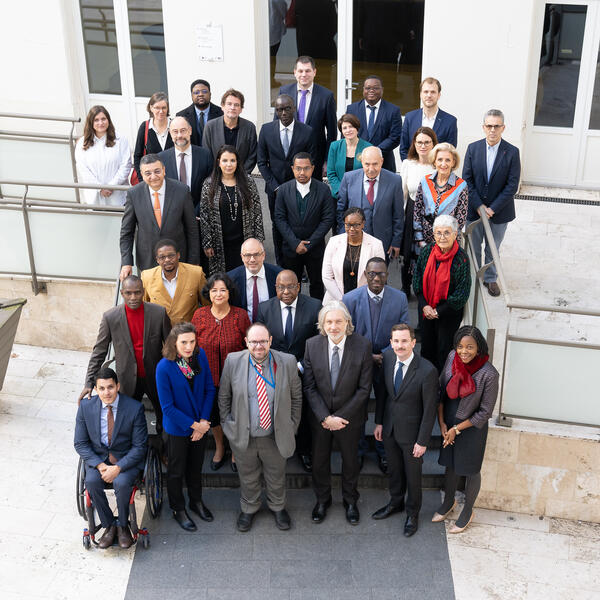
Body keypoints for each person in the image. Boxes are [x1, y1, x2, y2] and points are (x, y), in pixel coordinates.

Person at [218, 322, 302, 532]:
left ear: (270, 341)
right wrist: (229, 427)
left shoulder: (287, 362)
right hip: (243, 435)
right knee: (247, 476)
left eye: (263, 341)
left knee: (276, 474)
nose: (258, 346)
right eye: (254, 342)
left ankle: (278, 507)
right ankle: (249, 508)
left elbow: (296, 398)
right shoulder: (233, 361)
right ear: (246, 342)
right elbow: (224, 396)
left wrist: (291, 427)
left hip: (274, 435)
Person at [303, 301, 373, 524]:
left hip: (350, 419)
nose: (333, 326)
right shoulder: (311, 345)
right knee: (319, 461)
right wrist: (325, 417)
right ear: (322, 323)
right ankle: (322, 500)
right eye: (329, 321)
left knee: (351, 462)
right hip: (320, 419)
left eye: (338, 321)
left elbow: (364, 389)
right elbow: (309, 387)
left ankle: (350, 501)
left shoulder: (362, 346)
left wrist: (341, 417)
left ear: (347, 323)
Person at [79, 275, 170, 433]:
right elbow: (99, 351)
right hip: (127, 379)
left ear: (143, 292)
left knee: (164, 416)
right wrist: (89, 382)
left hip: (155, 376)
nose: (133, 297)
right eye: (128, 293)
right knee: (125, 420)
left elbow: (171, 347)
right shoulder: (110, 317)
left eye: (137, 292)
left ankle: (163, 451)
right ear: (122, 293)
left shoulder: (159, 313)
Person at [343, 257, 409, 473]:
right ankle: (359, 451)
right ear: (365, 274)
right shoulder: (350, 298)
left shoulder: (399, 299)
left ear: (387, 276)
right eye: (372, 274)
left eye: (381, 274)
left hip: (388, 364)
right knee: (358, 409)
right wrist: (368, 356)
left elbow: (404, 331)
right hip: (358, 364)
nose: (376, 278)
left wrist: (385, 355)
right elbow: (346, 334)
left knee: (386, 409)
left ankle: (383, 452)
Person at [372, 325, 438, 537]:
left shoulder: (427, 371)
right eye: (396, 341)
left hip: (413, 435)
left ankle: (412, 513)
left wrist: (423, 441)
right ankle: (396, 502)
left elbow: (429, 411)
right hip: (390, 428)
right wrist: (379, 422)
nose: (400, 346)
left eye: (404, 341)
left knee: (413, 476)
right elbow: (383, 393)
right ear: (391, 342)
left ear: (413, 342)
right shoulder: (389, 358)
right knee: (394, 471)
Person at [433, 326, 499, 533]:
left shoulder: (489, 374)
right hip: (449, 418)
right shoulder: (452, 357)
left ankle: (467, 510)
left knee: (471, 470)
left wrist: (456, 429)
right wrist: (443, 424)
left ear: (479, 348)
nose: (464, 351)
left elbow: (485, 412)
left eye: (470, 347)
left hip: (471, 428)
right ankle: (449, 502)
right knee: (450, 464)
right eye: (460, 346)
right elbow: (441, 390)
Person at [74, 367, 148, 549]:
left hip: (125, 461)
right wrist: (100, 466)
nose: (106, 392)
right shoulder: (85, 408)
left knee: (122, 484)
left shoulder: (134, 408)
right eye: (102, 388)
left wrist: (118, 468)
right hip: (98, 460)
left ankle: (123, 526)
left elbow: (140, 446)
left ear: (118, 386)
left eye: (110, 387)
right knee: (91, 483)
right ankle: (108, 525)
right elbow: (80, 443)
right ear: (96, 389)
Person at [256, 269, 322, 472]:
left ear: (299, 287)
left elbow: (318, 342)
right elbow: (260, 341)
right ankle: (275, 449)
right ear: (275, 287)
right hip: (272, 372)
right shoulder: (265, 308)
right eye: (281, 287)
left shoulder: (314, 306)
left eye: (290, 286)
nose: (286, 291)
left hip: (304, 371)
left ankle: (304, 450)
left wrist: (300, 365)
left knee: (301, 413)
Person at [155, 322, 215, 531]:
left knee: (196, 468)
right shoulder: (164, 367)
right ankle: (178, 508)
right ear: (174, 343)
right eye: (183, 342)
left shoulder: (201, 356)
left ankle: (196, 501)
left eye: (192, 341)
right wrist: (195, 427)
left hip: (201, 424)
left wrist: (205, 421)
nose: (188, 346)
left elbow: (209, 389)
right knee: (176, 471)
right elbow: (167, 407)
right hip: (178, 429)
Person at [191, 273, 251, 472]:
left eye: (222, 290)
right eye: (214, 290)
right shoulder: (199, 315)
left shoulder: (240, 315)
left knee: (235, 415)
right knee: (214, 416)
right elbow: (190, 347)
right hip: (207, 379)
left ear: (229, 292)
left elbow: (249, 346)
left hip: (236, 378)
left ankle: (235, 450)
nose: (218, 294)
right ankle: (219, 446)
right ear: (208, 293)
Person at [463, 109, 521, 297]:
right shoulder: (473, 149)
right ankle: (472, 277)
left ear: (503, 128)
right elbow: (467, 180)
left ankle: (490, 279)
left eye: (497, 126)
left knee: (492, 248)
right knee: (473, 245)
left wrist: (492, 208)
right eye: (489, 126)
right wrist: (479, 206)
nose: (492, 130)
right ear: (483, 127)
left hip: (500, 212)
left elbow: (512, 185)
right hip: (474, 210)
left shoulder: (512, 152)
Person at [119, 154, 199, 279]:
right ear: (141, 174)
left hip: (179, 260)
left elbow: (192, 230)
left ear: (164, 170)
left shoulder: (181, 191)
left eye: (157, 171)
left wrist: (193, 262)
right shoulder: (134, 194)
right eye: (148, 173)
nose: (153, 176)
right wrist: (126, 262)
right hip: (148, 262)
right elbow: (126, 232)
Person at [258, 94, 316, 264]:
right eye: (279, 109)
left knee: (299, 225)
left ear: (294, 108)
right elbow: (261, 162)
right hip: (274, 189)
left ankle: (300, 263)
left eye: (287, 108)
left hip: (300, 188)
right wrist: (275, 186)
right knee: (277, 225)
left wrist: (297, 184)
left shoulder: (307, 131)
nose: (283, 112)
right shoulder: (266, 130)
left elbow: (312, 161)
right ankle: (280, 261)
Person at [412, 215, 471, 371]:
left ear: (455, 234)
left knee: (444, 351)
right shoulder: (426, 252)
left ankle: (442, 385)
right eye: (438, 233)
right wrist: (425, 306)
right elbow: (417, 279)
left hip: (448, 314)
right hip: (426, 310)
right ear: (433, 234)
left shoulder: (462, 259)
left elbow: (462, 293)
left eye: (447, 232)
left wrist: (438, 311)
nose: (442, 237)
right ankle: (426, 381)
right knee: (426, 348)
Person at [274, 152, 335, 299]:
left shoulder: (323, 190)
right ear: (292, 169)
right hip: (290, 248)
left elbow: (327, 219)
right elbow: (279, 218)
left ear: (313, 169)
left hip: (315, 248)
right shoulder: (282, 190)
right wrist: (295, 243)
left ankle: (316, 317)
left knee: (317, 284)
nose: (302, 172)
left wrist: (310, 244)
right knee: (291, 285)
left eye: (306, 168)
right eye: (298, 168)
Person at [198, 145, 265, 274]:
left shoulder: (248, 182)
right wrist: (207, 243)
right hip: (219, 243)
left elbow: (257, 212)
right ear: (218, 162)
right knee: (223, 280)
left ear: (237, 162)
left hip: (245, 240)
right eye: (225, 160)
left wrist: (258, 240)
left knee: (245, 276)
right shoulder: (209, 184)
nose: (229, 164)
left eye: (232, 160)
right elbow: (204, 215)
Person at [337, 146, 404, 262]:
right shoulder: (349, 178)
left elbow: (398, 215)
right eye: (367, 164)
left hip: (383, 242)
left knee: (378, 278)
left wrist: (396, 242)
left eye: (375, 164)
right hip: (353, 240)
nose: (371, 169)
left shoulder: (395, 180)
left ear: (382, 161)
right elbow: (340, 211)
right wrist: (345, 235)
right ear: (361, 162)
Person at [278, 55, 337, 179]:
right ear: (295, 73)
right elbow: (276, 124)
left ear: (314, 72)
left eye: (308, 71)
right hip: (289, 154)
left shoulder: (326, 96)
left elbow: (332, 132)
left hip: (315, 156)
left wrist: (327, 161)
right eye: (300, 71)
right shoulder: (284, 92)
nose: (304, 74)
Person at [399, 127, 438, 296]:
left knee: (427, 253)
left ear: (433, 144)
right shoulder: (408, 164)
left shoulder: (438, 165)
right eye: (419, 142)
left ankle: (424, 288)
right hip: (412, 211)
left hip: (432, 215)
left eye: (427, 142)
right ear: (414, 144)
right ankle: (405, 287)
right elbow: (403, 192)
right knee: (408, 252)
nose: (423, 146)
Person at [322, 207, 385, 303]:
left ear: (363, 224)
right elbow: (327, 276)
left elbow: (378, 277)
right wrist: (343, 300)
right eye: (348, 225)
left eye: (356, 225)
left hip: (365, 301)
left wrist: (359, 300)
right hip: (335, 300)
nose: (351, 229)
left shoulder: (376, 245)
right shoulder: (333, 242)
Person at [413, 143, 468, 252]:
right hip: (424, 243)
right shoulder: (425, 182)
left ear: (453, 162)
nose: (443, 164)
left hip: (448, 245)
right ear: (434, 161)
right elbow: (417, 212)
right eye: (440, 160)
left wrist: (445, 243)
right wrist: (420, 240)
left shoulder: (461, 186)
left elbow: (460, 220)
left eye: (448, 160)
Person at [141, 239, 208, 324]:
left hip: (189, 333)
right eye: (162, 257)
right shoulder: (147, 277)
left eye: (171, 255)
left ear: (178, 255)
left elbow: (208, 305)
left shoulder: (196, 274)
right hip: (159, 334)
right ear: (157, 260)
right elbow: (143, 308)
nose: (167, 260)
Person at [75, 105, 132, 206]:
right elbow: (83, 169)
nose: (100, 123)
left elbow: (126, 166)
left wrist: (111, 186)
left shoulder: (121, 140)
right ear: (90, 122)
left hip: (118, 197)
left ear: (108, 120)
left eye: (103, 119)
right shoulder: (81, 144)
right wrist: (99, 188)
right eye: (96, 120)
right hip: (94, 198)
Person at [345, 76, 402, 172]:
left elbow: (395, 137)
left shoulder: (393, 110)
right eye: (368, 88)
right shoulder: (352, 109)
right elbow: (346, 134)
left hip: (384, 163)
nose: (371, 90)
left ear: (382, 90)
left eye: (375, 88)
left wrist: (375, 152)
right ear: (363, 90)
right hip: (357, 161)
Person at [157, 116, 213, 211]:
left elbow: (211, 187)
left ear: (190, 131)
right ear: (170, 133)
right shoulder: (161, 158)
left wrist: (197, 212)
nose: (179, 135)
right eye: (175, 131)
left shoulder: (205, 155)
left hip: (199, 215)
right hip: (172, 215)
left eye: (183, 130)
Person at [400, 77, 458, 161]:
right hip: (414, 170)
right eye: (426, 92)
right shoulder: (410, 118)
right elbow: (404, 149)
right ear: (420, 94)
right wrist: (412, 167)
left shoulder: (450, 121)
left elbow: (450, 152)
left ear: (439, 95)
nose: (429, 95)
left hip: (437, 171)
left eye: (433, 92)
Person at [203, 89, 258, 174]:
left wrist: (242, 175)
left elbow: (252, 156)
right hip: (217, 176)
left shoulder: (249, 127)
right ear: (222, 106)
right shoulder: (210, 127)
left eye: (236, 105)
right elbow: (207, 155)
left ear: (241, 109)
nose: (232, 108)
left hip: (242, 177)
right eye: (229, 104)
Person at [227, 238, 282, 322]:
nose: (252, 259)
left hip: (272, 327)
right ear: (242, 257)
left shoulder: (279, 275)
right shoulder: (230, 279)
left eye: (256, 254)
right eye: (247, 255)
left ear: (263, 255)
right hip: (243, 328)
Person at [326, 113, 372, 199]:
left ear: (357, 128)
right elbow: (331, 173)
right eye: (344, 128)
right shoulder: (334, 146)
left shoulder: (368, 147)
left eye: (351, 126)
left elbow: (370, 173)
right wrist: (341, 190)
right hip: (338, 195)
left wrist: (354, 192)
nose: (348, 130)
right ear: (341, 131)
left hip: (361, 195)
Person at [133, 91, 174, 181]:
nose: (161, 111)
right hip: (152, 180)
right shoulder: (145, 127)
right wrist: (142, 180)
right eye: (157, 108)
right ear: (151, 108)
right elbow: (137, 156)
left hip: (174, 179)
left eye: (164, 108)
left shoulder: (174, 125)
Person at [176, 79, 223, 147]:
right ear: (191, 95)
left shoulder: (221, 113)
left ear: (210, 94)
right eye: (196, 92)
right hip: (193, 155)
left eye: (204, 91)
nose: (200, 94)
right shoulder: (181, 116)